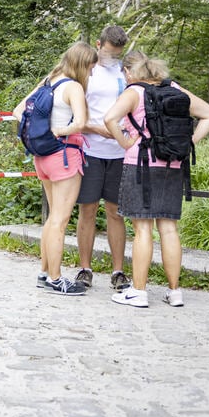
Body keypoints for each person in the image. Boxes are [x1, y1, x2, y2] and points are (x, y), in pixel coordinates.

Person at [103, 51, 209, 308]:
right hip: (173, 164)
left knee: (142, 229)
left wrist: (125, 142)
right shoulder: (175, 89)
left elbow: (109, 119)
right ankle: (174, 291)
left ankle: (139, 291)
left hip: (141, 165)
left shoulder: (134, 92)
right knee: (168, 228)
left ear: (130, 73)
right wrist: (188, 142)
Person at [13, 42, 97, 295]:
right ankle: (57, 278)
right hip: (64, 156)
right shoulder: (73, 87)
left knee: (52, 219)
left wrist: (45, 133)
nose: (91, 74)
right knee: (60, 221)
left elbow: (18, 111)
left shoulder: (49, 80)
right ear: (82, 64)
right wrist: (60, 130)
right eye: (91, 68)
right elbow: (81, 123)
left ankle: (45, 272)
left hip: (43, 157)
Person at [75, 25, 132, 292]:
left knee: (115, 212)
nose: (112, 59)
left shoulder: (126, 72)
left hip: (120, 151)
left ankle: (118, 271)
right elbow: (75, 115)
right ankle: (85, 269)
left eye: (117, 54)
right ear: (98, 45)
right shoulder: (86, 71)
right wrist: (96, 129)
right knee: (87, 210)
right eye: (109, 53)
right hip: (90, 149)